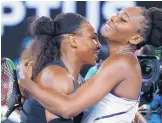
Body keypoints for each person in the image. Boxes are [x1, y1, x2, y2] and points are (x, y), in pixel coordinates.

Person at [19, 7, 162, 123]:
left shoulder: (123, 62)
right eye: (118, 13)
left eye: (123, 19)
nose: (113, 17)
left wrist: (29, 85)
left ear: (135, 38)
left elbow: (68, 109)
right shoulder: (117, 63)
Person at [19, 13, 101, 123]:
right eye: (93, 38)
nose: (99, 45)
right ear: (73, 40)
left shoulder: (77, 79)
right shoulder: (57, 77)